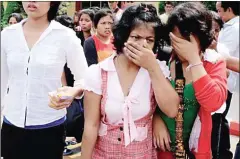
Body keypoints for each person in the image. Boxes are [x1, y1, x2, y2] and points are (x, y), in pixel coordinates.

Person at [81, 3, 179, 159]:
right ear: (122, 37)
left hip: (143, 154)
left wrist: (153, 68)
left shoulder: (157, 70)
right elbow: (91, 126)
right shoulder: (99, 73)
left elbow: (172, 110)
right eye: (136, 37)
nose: (143, 44)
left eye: (149, 40)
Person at [1, 2, 88, 159]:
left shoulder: (65, 36)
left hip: (50, 125)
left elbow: (84, 78)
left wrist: (73, 91)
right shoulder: (8, 35)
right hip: (11, 124)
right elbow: (2, 79)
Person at [154, 2, 227, 159]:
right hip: (159, 148)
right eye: (175, 39)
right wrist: (155, 119)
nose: (180, 46)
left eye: (186, 40)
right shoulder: (163, 59)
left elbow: (214, 102)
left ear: (201, 37)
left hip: (196, 150)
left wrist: (194, 59)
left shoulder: (213, 62)